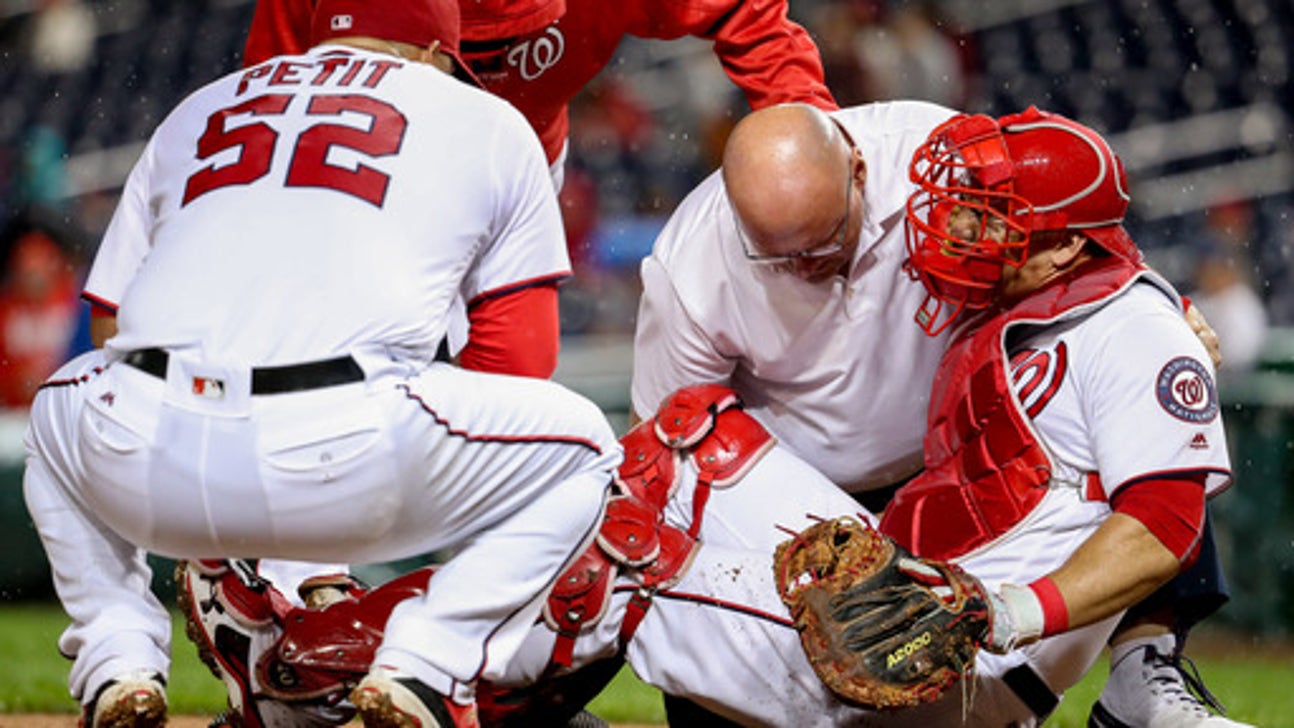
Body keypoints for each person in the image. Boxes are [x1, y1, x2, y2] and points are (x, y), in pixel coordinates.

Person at [21, 2, 622, 727]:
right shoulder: (489, 121)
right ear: (437, 48)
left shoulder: (203, 105)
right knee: (587, 448)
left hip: (148, 457)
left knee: (59, 410)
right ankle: (426, 663)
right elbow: (518, 364)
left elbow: (110, 320)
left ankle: (118, 660)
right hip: (348, 457)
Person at [631, 101, 1247, 726]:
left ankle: (1146, 667)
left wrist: (1166, 310)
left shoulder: (1112, 322)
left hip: (965, 595)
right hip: (827, 487)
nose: (951, 220)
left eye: (983, 214)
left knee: (1157, 447)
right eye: (775, 253)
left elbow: (1159, 523)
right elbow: (667, 454)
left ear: (861, 172)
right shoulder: (693, 262)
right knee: (654, 480)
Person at [241, 0, 838, 191]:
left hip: (527, 151)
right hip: (369, 164)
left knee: (507, 366)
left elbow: (751, 18)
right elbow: (268, 95)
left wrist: (824, 142)